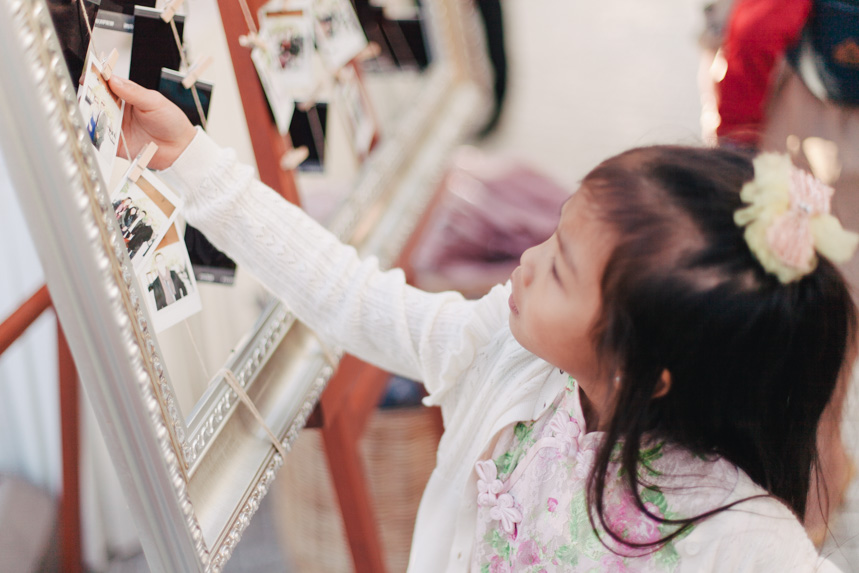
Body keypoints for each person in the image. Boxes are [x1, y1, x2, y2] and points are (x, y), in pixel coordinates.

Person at [109, 75, 856, 571]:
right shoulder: (504, 357)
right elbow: (349, 293)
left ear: (644, 365)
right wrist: (195, 164)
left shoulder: (737, 535)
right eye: (554, 233)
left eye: (560, 265)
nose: (525, 260)